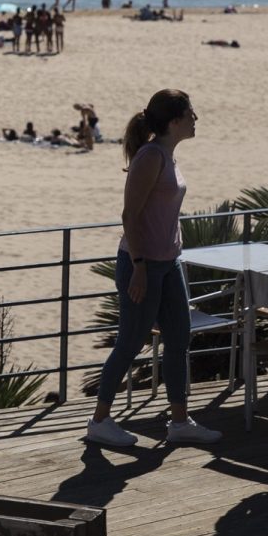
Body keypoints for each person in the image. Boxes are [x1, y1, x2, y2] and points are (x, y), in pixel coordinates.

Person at [85, 89, 221, 449]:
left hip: (169, 261)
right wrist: (140, 267)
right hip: (142, 263)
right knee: (130, 342)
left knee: (179, 338)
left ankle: (179, 421)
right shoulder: (151, 156)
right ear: (174, 121)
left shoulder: (168, 156)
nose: (196, 119)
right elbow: (130, 215)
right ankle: (99, 420)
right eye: (191, 114)